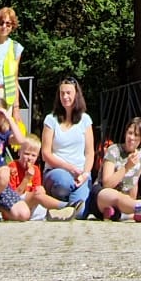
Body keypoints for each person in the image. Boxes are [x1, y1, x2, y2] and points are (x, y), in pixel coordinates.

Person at [41, 76, 95, 215]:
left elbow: (90, 153)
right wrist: (69, 168)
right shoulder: (51, 119)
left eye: (68, 93)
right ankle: (60, 204)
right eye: (62, 93)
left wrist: (85, 174)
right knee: (63, 181)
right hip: (57, 172)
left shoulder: (85, 120)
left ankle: (64, 209)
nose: (65, 97)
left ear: (76, 94)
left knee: (80, 213)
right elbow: (45, 154)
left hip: (80, 175)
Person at [0, 7, 24, 118]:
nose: (4, 26)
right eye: (1, 23)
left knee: (5, 129)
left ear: (12, 26)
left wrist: (16, 107)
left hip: (7, 95)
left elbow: (15, 78)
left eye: (8, 24)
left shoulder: (16, 48)